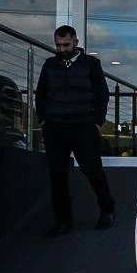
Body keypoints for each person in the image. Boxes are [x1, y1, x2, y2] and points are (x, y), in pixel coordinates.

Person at [34, 25, 116, 236]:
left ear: (76, 43)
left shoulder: (91, 64)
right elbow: (40, 95)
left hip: (83, 126)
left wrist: (96, 122)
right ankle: (63, 219)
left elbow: (102, 94)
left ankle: (107, 210)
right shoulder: (50, 65)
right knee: (57, 175)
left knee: (93, 171)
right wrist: (44, 121)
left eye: (66, 45)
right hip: (55, 127)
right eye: (58, 45)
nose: (62, 49)